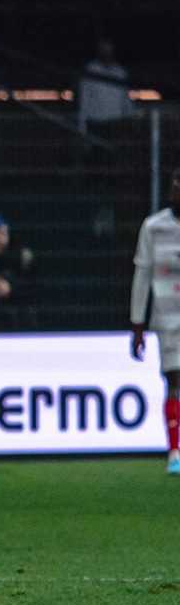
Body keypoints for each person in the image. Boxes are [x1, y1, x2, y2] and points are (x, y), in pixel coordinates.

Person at [130, 176, 180, 473]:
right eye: (173, 185)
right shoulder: (153, 227)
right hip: (168, 318)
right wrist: (137, 324)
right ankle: (174, 452)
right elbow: (142, 276)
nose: (175, 190)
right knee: (174, 381)